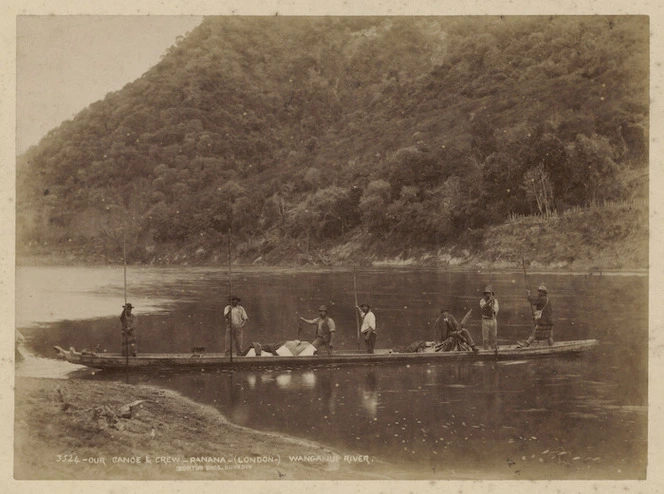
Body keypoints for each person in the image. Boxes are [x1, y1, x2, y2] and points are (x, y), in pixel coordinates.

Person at [479, 286, 499, 350]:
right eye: (487, 293)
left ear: (492, 294)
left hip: (493, 320)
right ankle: (486, 351)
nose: (488, 295)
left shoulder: (495, 301)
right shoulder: (482, 300)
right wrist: (489, 302)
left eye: (489, 294)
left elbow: (496, 310)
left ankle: (493, 350)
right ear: (485, 294)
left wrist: (494, 310)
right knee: (485, 339)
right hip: (485, 320)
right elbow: (484, 307)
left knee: (494, 337)